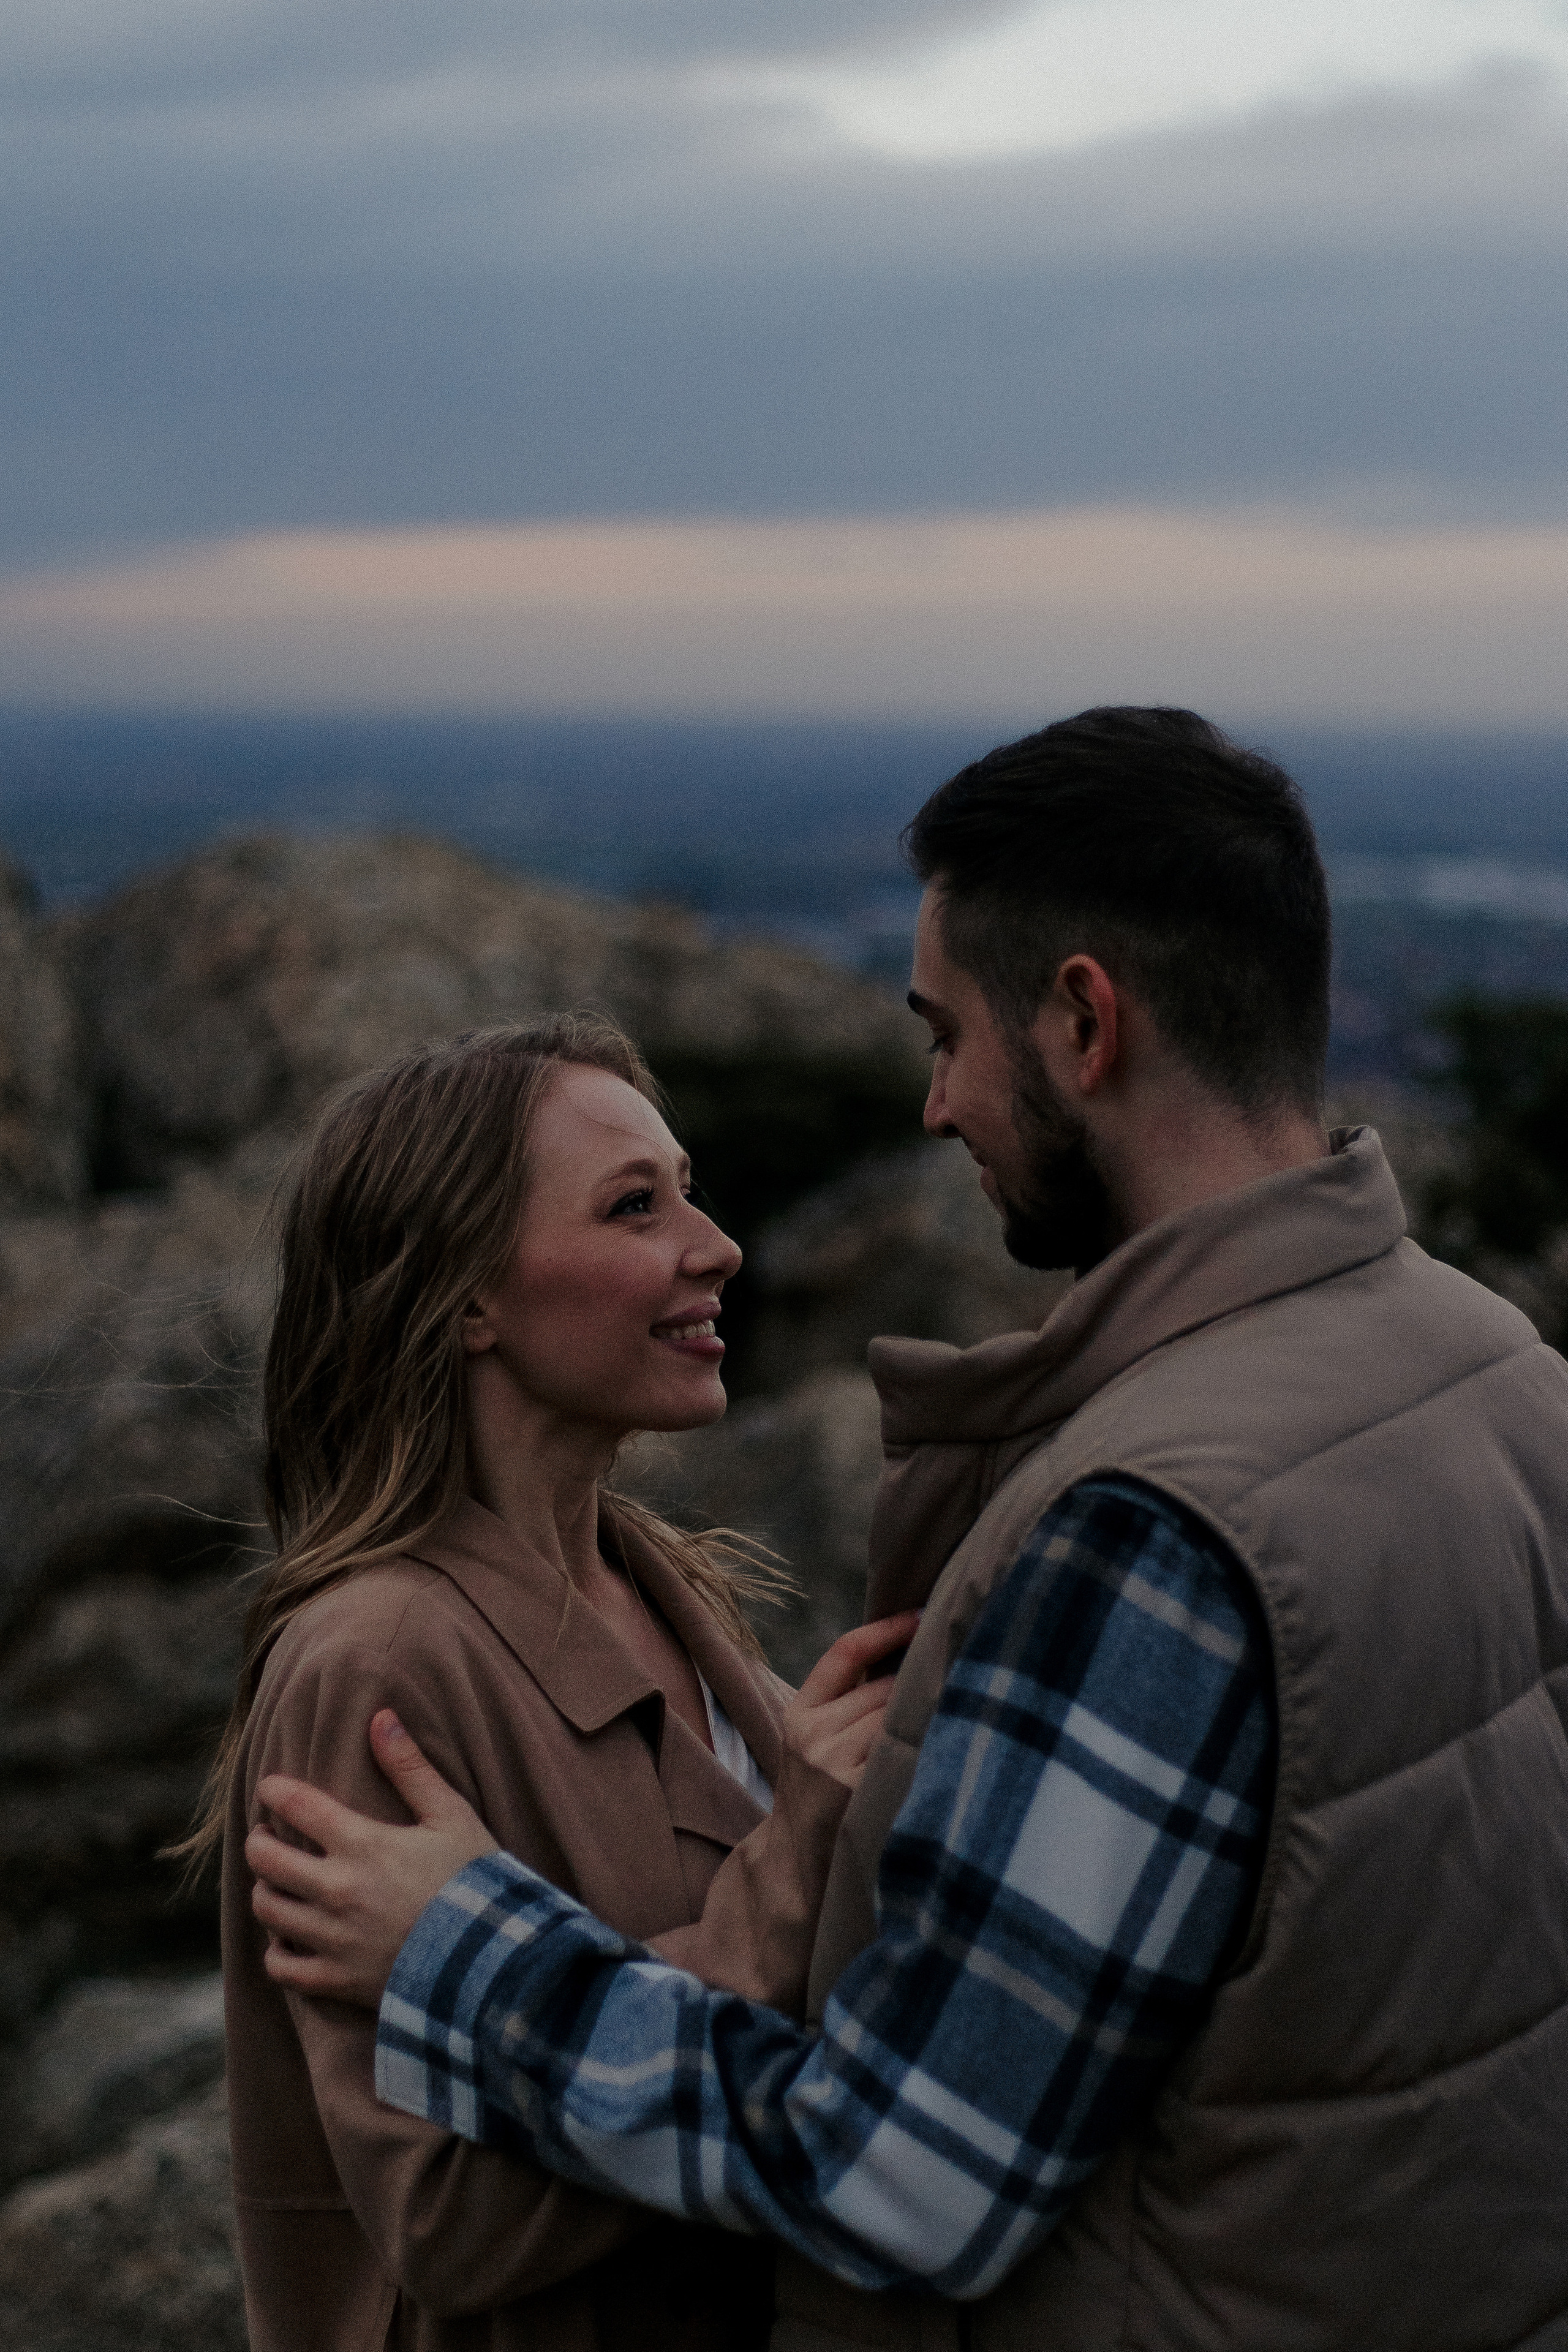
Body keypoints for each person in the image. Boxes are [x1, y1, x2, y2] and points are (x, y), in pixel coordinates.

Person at [250, 709, 1568, 2352]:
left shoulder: (1149, 1532)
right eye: (637, 1203)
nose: (937, 1106)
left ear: (1086, 1021)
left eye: (948, 1035)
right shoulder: (1509, 1378)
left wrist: (467, 1950)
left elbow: (901, 2169)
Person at [195, 1011, 917, 2352]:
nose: (714, 1246)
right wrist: (797, 1860)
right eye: (634, 1208)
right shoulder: (372, 1664)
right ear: (467, 1295)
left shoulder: (665, 1583)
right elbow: (445, 2221)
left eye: (687, 1193)